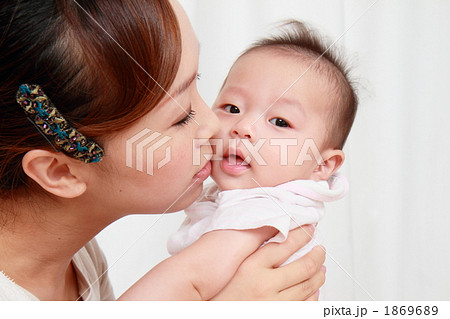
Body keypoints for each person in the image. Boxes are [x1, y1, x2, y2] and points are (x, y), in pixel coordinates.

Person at [0, 0, 325, 300]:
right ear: (61, 172)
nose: (214, 124)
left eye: (197, 81)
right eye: (182, 117)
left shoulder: (75, 259)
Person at [119, 20, 356, 301]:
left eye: (279, 121)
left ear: (321, 165)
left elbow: (188, 279)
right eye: (232, 108)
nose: (243, 126)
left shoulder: (265, 212)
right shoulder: (244, 200)